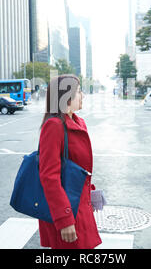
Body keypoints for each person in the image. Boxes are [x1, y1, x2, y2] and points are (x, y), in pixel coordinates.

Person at [38, 74, 102, 249]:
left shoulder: (77, 121)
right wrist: (64, 219)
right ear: (66, 97)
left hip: (79, 205)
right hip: (67, 212)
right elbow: (49, 177)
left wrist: (91, 194)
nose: (83, 96)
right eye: (79, 92)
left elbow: (77, 166)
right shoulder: (54, 126)